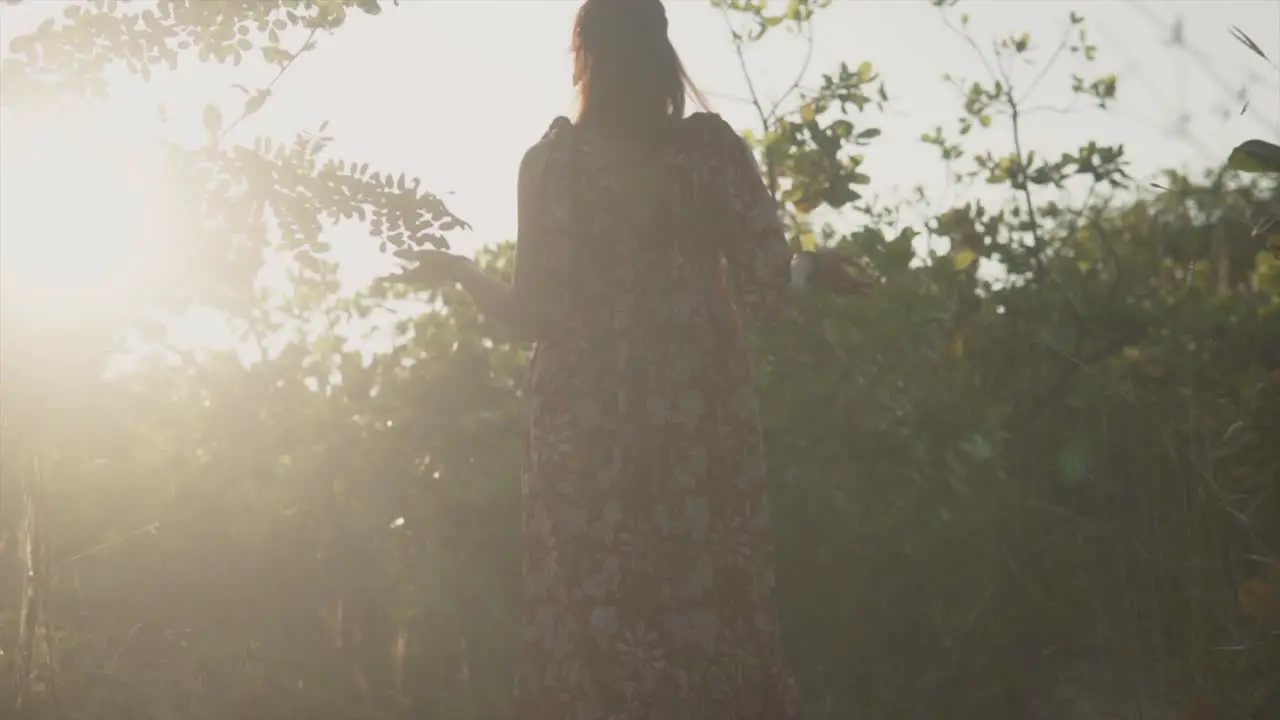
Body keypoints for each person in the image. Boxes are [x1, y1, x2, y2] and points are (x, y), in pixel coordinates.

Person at [385, 0, 867, 716]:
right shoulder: (708, 153)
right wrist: (811, 265)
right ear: (660, 49)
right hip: (698, 425)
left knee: (592, 615)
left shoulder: (551, 166)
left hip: (580, 430)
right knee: (706, 612)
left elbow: (530, 316)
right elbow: (768, 293)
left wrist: (460, 270)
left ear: (585, 54)